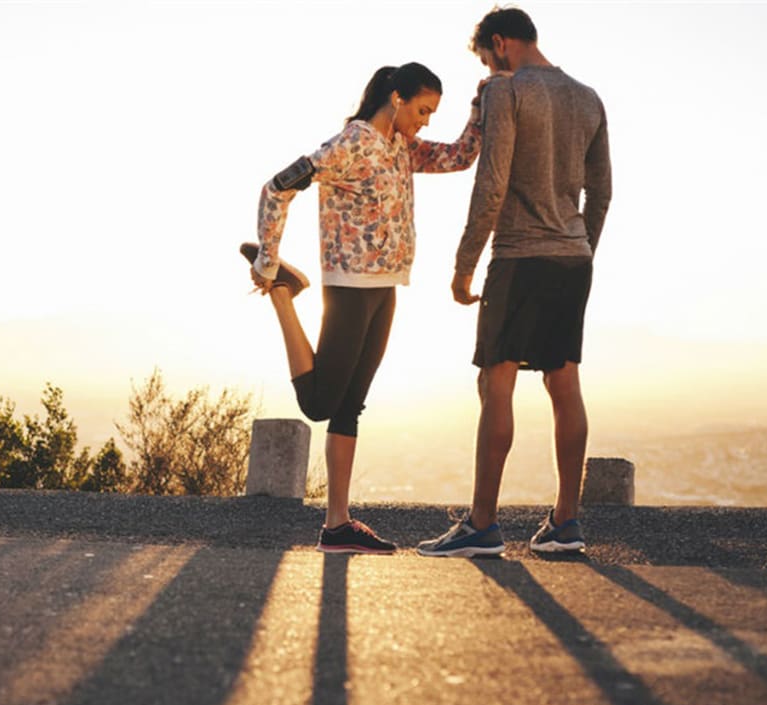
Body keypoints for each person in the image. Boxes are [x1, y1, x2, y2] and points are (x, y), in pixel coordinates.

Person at [245, 62, 484, 555]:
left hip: (386, 287)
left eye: (432, 114)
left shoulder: (402, 147)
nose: (425, 122)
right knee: (318, 404)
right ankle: (283, 292)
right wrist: (268, 257)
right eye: (422, 110)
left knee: (350, 405)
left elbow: (460, 157)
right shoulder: (353, 142)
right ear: (396, 99)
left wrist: (484, 103)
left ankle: (337, 525)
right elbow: (277, 186)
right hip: (349, 286)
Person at [417, 7, 612, 558]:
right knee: (564, 383)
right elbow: (602, 192)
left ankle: (482, 525)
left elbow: (492, 182)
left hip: (519, 257)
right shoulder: (589, 98)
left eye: (486, 59)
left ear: (500, 43)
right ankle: (566, 523)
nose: (488, 70)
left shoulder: (506, 90)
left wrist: (464, 266)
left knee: (495, 383)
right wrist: (581, 248)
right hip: (572, 259)